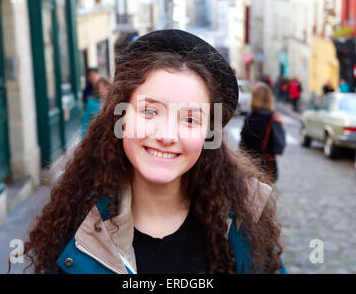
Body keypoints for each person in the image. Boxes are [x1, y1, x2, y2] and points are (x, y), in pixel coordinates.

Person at [21, 30, 286, 274]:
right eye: (150, 111)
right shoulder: (77, 222)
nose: (167, 135)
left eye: (190, 119)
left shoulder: (244, 221)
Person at [240, 82, 284, 183]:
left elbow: (243, 144)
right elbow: (279, 145)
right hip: (268, 166)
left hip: (249, 164)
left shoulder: (251, 117)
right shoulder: (273, 118)